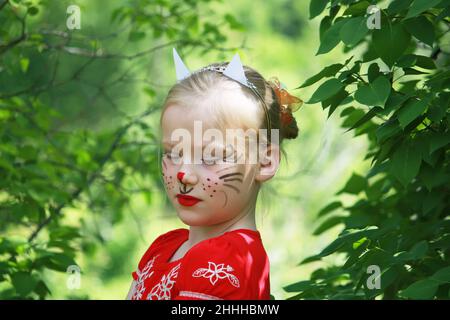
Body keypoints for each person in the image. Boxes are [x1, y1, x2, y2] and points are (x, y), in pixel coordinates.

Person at [127, 48, 302, 300]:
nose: (184, 175)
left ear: (264, 161)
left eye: (210, 157)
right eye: (173, 153)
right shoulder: (164, 247)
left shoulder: (225, 261)